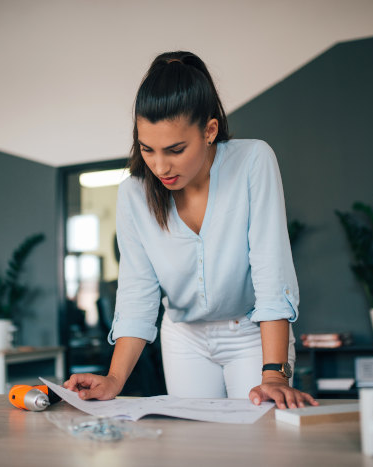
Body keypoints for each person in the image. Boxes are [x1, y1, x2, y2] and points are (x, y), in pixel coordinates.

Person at [64, 51, 317, 409]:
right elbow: (138, 292)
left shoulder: (253, 161)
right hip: (184, 338)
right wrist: (114, 379)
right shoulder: (134, 194)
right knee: (195, 447)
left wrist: (274, 374)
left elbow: (271, 271)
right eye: (147, 149)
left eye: (175, 149)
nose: (160, 165)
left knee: (261, 442)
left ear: (209, 131)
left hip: (249, 332)